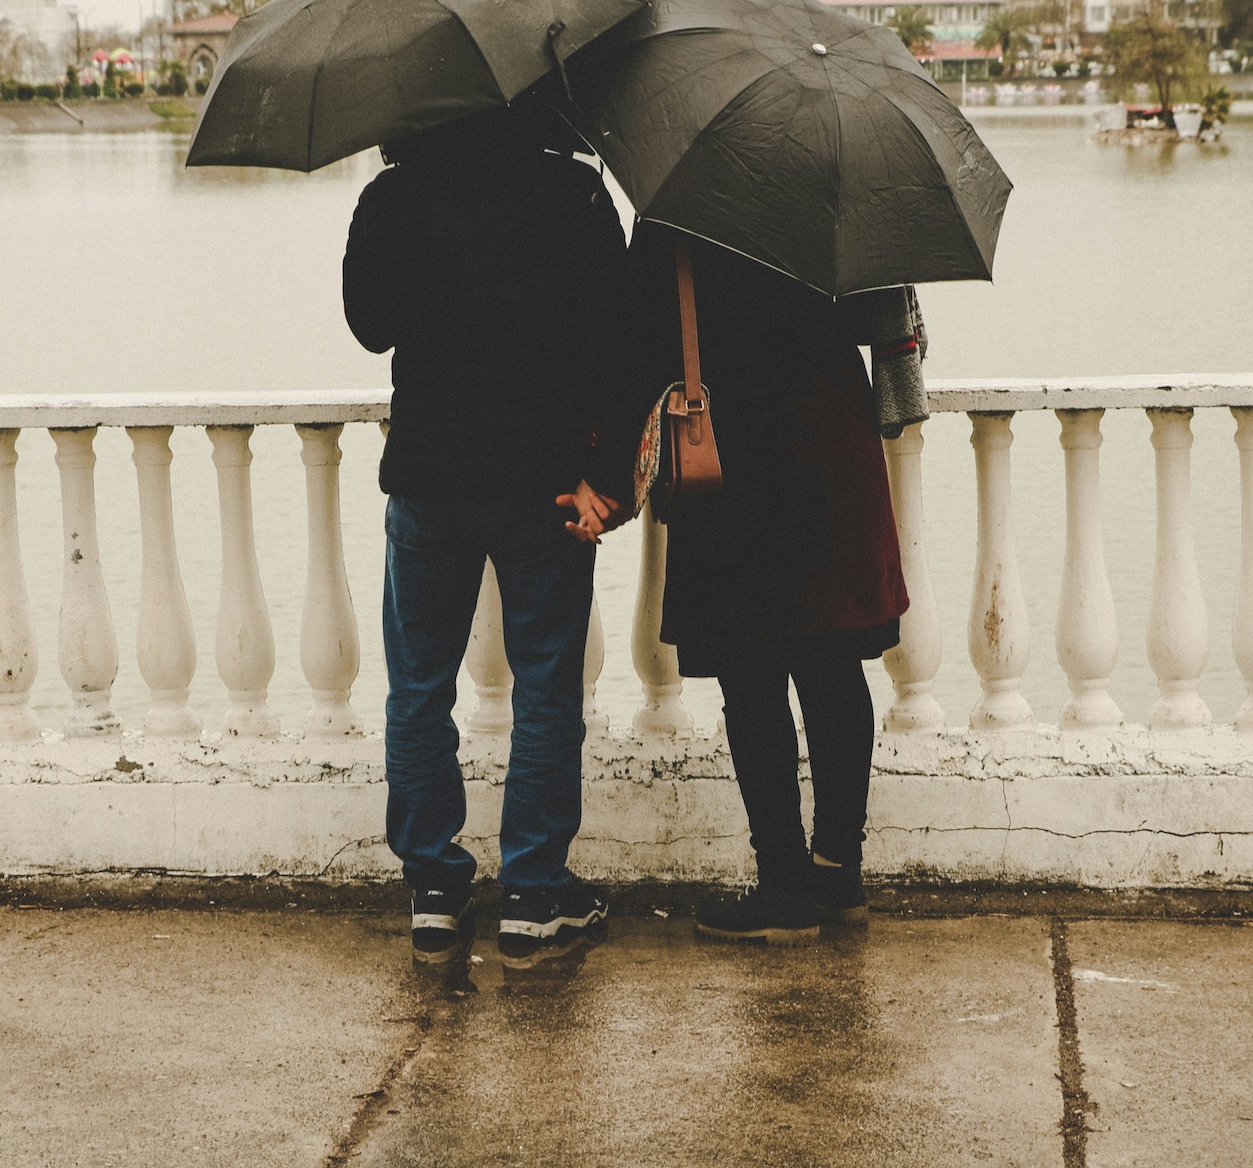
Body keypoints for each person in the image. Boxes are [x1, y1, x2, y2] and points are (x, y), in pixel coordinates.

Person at [343, 103, 638, 966]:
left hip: (432, 476)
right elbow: (619, 345)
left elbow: (370, 328)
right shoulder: (574, 194)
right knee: (546, 686)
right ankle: (533, 893)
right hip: (544, 479)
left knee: (419, 687)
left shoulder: (393, 196)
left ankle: (434, 889)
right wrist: (610, 476)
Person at [633, 222, 923, 946]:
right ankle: (837, 872)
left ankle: (784, 885)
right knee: (832, 666)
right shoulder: (831, 186)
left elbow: (642, 332)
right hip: (826, 437)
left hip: (727, 444)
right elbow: (874, 316)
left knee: (751, 674)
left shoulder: (680, 209)